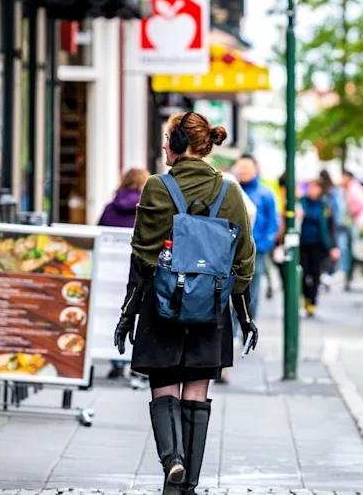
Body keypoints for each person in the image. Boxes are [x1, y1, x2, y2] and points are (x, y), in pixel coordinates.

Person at [113, 111, 258, 495]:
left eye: (167, 138)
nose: (163, 145)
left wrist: (128, 313)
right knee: (197, 391)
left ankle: (172, 459)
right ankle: (186, 487)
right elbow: (244, 258)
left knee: (164, 387)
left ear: (179, 145)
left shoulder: (158, 188)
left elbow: (142, 258)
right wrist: (241, 312)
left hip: (162, 307)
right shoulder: (230, 191)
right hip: (211, 310)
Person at [98, 168, 148, 380]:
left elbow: (99, 231)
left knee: (112, 312)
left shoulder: (111, 207)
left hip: (110, 269)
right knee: (138, 311)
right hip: (137, 270)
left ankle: (115, 359)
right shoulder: (147, 207)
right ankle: (135, 363)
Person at [233, 155, 280, 322]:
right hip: (232, 248)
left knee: (253, 287)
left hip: (257, 248)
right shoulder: (231, 189)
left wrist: (264, 244)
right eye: (241, 167)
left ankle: (248, 323)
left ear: (256, 169)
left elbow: (273, 221)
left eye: (247, 167)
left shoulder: (266, 193)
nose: (243, 170)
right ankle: (233, 330)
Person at [299, 179, 339, 316]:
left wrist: (334, 246)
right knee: (303, 273)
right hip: (303, 243)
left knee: (315, 273)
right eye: (310, 188)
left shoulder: (325, 205)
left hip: (319, 244)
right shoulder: (301, 202)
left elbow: (331, 227)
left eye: (315, 188)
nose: (312, 191)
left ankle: (313, 301)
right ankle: (306, 298)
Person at [341, 170, 363, 288]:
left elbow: (358, 204)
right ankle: (348, 274)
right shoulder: (353, 188)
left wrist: (353, 213)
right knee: (348, 248)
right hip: (353, 222)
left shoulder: (353, 188)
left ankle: (348, 273)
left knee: (348, 249)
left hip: (353, 222)